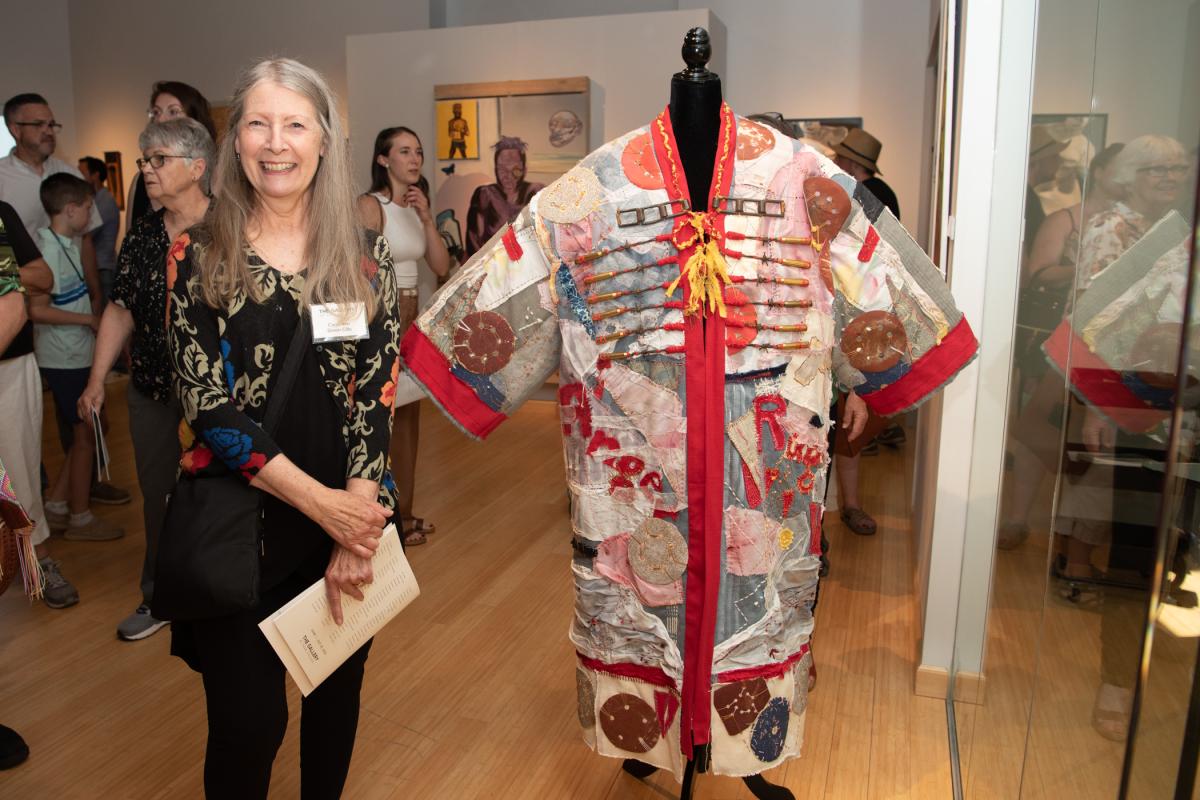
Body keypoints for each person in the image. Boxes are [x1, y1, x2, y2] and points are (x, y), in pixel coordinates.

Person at [165, 58, 399, 798]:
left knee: (335, 708)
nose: (276, 143)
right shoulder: (199, 253)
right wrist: (326, 507)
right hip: (241, 532)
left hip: (345, 527)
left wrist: (353, 523)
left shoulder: (363, 258)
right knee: (249, 725)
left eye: (295, 124)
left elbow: (375, 395)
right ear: (234, 140)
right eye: (258, 124)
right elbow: (208, 406)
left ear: (324, 140)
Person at [79, 118, 214, 641]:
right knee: (159, 496)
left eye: (159, 160)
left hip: (223, 396)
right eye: (145, 161)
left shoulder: (232, 228)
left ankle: (224, 592)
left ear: (197, 167)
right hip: (155, 390)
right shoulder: (141, 235)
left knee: (225, 493)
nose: (147, 171)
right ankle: (158, 596)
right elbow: (120, 310)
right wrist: (96, 381)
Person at [0, 92, 130, 507]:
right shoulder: (3, 179)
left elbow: (86, 241)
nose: (49, 131)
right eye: (38, 124)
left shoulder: (65, 171)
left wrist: (95, 297)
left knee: (79, 420)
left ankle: (76, 493)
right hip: (31, 320)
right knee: (43, 424)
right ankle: (49, 501)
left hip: (71, 307)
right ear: (14, 129)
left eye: (52, 124)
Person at [357, 126, 449, 546]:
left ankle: (405, 512)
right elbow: (361, 269)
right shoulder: (369, 205)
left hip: (413, 315)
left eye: (419, 152)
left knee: (409, 418)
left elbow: (440, 265)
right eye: (405, 151)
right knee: (378, 417)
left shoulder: (414, 207)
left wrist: (427, 217)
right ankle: (380, 517)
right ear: (383, 159)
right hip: (381, 315)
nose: (414, 160)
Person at [28, 174, 124, 543]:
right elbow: (37, 310)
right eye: (87, 208)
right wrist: (88, 320)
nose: (91, 214)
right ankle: (80, 517)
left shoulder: (66, 242)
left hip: (76, 352)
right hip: (62, 356)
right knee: (85, 435)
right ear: (70, 210)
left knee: (94, 429)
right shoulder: (47, 250)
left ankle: (56, 504)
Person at [0, 199, 78, 608]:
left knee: (20, 472)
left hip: (9, 366)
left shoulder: (1, 212)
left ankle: (38, 561)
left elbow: (42, 278)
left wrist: (3, 273)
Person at [830, 127, 902, 535]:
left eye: (840, 157)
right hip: (865, 310)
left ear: (852, 164)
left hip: (858, 311)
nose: (834, 162)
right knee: (850, 414)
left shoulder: (865, 196)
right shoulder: (883, 193)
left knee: (849, 414)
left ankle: (848, 505)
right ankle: (848, 505)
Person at [126, 81, 217, 230]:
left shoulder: (219, 177)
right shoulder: (141, 180)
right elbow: (131, 232)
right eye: (156, 112)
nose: (161, 120)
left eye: (173, 112)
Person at [464, 136, 544, 258]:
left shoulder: (536, 193)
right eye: (502, 169)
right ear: (495, 169)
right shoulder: (484, 195)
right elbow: (474, 242)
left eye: (515, 170)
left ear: (524, 170)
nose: (508, 176)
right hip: (492, 266)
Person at [78, 156, 120, 304]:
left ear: (95, 175)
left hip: (103, 269)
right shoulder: (97, 199)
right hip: (99, 268)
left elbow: (86, 232)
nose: (78, 177)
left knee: (104, 313)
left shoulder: (105, 201)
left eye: (81, 173)